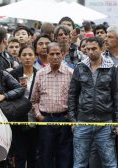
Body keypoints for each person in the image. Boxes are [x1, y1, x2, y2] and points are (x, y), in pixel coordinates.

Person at [68, 36, 118, 168]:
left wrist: (117, 121)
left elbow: (116, 95)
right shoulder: (80, 67)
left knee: (110, 164)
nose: (90, 52)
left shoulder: (112, 68)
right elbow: (72, 94)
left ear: (102, 48)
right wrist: (73, 120)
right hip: (82, 121)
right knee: (79, 164)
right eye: (87, 49)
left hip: (105, 123)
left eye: (94, 48)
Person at [31, 42, 73, 168]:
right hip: (46, 120)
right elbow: (34, 100)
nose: (55, 57)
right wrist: (39, 116)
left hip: (64, 119)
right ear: (47, 56)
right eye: (52, 54)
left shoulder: (71, 73)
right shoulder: (40, 74)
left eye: (58, 54)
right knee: (46, 155)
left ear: (63, 55)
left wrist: (70, 117)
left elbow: (75, 98)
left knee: (64, 155)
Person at [10, 45, 37, 168]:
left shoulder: (40, 74)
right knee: (19, 154)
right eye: (24, 55)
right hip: (18, 118)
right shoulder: (13, 74)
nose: (27, 58)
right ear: (19, 57)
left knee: (34, 154)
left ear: (35, 57)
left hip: (35, 117)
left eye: (30, 55)